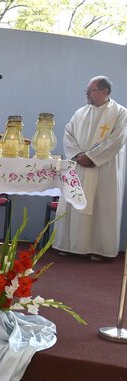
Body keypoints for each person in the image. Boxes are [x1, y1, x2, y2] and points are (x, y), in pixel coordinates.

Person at [54, 76, 127, 260]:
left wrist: (92, 157)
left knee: (102, 205)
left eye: (91, 89)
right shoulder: (80, 112)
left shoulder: (120, 113)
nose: (87, 93)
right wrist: (79, 155)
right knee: (74, 202)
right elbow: (68, 133)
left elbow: (117, 139)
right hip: (80, 165)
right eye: (87, 89)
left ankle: (98, 249)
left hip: (104, 168)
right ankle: (70, 245)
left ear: (105, 92)